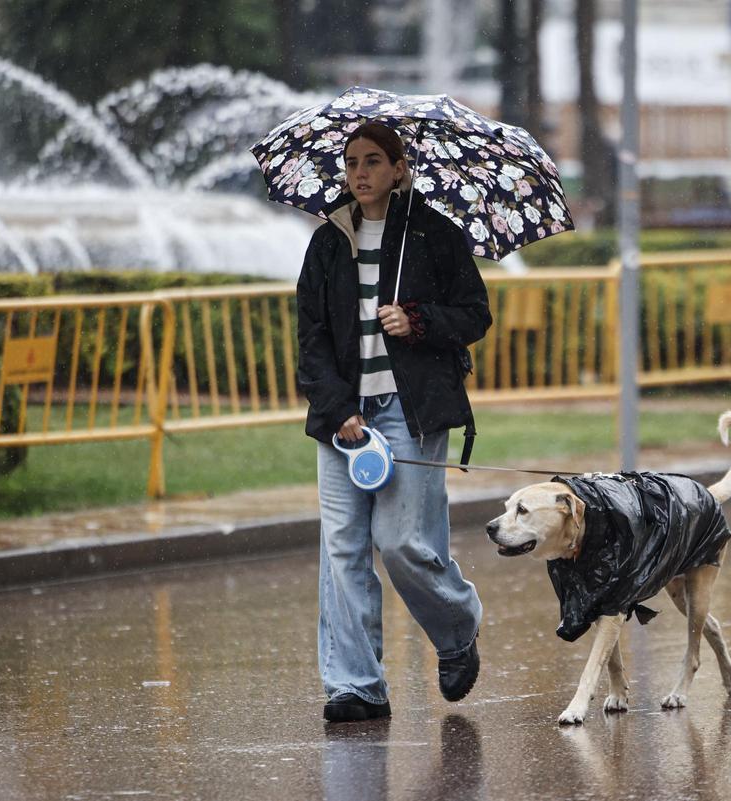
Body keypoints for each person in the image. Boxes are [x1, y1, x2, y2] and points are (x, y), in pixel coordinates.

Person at [296, 121, 491, 723]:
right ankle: (356, 684)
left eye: (373, 161)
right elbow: (312, 341)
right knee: (343, 548)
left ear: (400, 167)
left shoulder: (433, 234)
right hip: (345, 421)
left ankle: (456, 627)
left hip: (413, 414)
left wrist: (419, 321)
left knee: (403, 543)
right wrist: (338, 412)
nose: (360, 172)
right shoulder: (328, 242)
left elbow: (475, 315)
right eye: (352, 161)